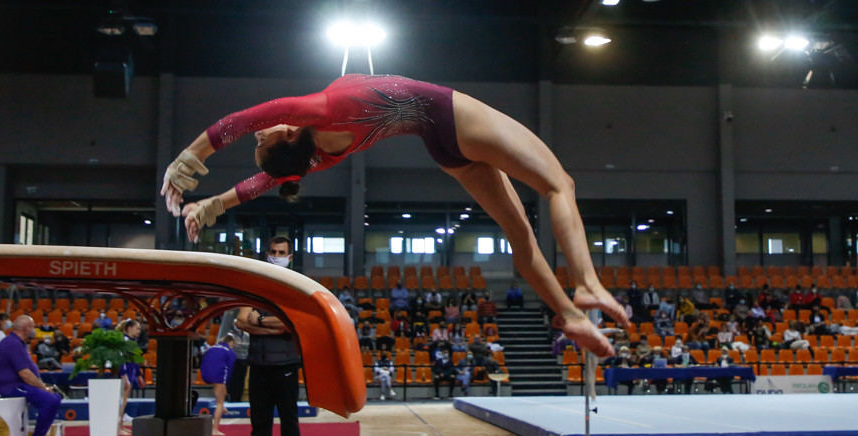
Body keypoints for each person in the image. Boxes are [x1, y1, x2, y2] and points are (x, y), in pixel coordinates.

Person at [161, 74, 627, 357]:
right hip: (451, 114)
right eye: (262, 139)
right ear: (285, 136)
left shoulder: (319, 157)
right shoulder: (321, 111)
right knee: (559, 185)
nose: (258, 134)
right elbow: (240, 120)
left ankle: (569, 314)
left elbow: (263, 182)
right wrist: (188, 161)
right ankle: (586, 283)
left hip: (445, 149)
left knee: (518, 232)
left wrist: (213, 204)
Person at [232, 236, 306, 436]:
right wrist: (273, 325)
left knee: (289, 425)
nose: (277, 255)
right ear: (267, 253)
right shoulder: (255, 286)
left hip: (286, 365)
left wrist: (260, 320)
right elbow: (241, 321)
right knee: (259, 426)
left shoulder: (295, 286)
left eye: (281, 252)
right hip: (258, 365)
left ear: (290, 257)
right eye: (273, 251)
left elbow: (291, 323)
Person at [0, 314, 62, 436]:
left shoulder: (18, 342)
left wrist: (42, 386)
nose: (34, 330)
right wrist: (43, 388)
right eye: (33, 327)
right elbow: (25, 374)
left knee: (55, 398)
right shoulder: (12, 343)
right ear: (26, 328)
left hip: (19, 384)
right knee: (50, 400)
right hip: (10, 386)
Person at [199, 333, 237, 436]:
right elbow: (229, 370)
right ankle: (214, 429)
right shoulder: (230, 352)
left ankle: (222, 406)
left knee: (221, 393)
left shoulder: (211, 348)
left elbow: (204, 361)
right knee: (219, 403)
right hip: (218, 374)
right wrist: (226, 382)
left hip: (205, 373)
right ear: (231, 343)